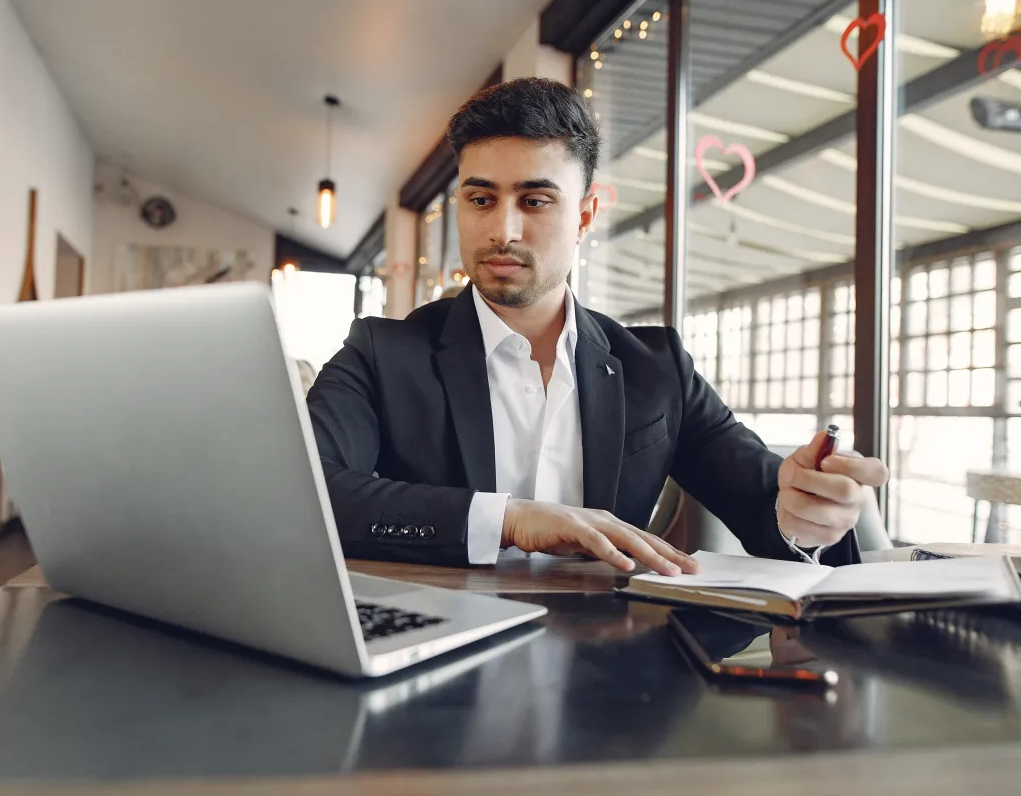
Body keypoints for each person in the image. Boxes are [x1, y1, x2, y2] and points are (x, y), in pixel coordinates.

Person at [305, 77, 888, 576]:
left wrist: (804, 516)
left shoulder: (658, 367)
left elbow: (768, 509)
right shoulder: (383, 351)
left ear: (583, 215)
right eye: (481, 200)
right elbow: (303, 490)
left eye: (534, 201)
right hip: (434, 655)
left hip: (610, 668)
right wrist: (507, 519)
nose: (502, 229)